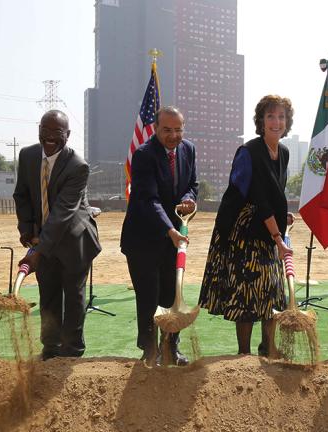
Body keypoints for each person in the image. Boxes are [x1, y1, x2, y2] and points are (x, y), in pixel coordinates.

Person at [199, 95, 292, 357]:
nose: (276, 122)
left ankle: (268, 347)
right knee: (248, 291)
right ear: (261, 121)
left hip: (268, 227)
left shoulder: (283, 152)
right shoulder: (249, 152)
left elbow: (275, 195)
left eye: (281, 117)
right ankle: (244, 355)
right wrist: (278, 238)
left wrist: (282, 219)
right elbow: (259, 199)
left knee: (272, 289)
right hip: (243, 231)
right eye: (271, 116)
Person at [13, 110, 101, 360]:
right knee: (48, 293)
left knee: (73, 294)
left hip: (74, 239)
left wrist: (37, 252)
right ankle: (50, 347)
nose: (50, 137)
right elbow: (22, 195)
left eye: (57, 133)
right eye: (45, 130)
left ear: (68, 135)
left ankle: (73, 349)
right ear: (39, 129)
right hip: (43, 236)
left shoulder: (77, 166)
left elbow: (63, 212)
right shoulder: (28, 155)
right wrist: (27, 230)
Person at [120, 106, 198, 365]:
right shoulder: (144, 155)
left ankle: (170, 348)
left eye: (178, 129)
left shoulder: (188, 149)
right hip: (143, 238)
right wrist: (170, 229)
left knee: (170, 294)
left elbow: (191, 185)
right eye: (167, 130)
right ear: (155, 129)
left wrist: (188, 200)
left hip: (172, 237)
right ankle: (149, 350)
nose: (174, 135)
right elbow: (149, 200)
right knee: (149, 296)